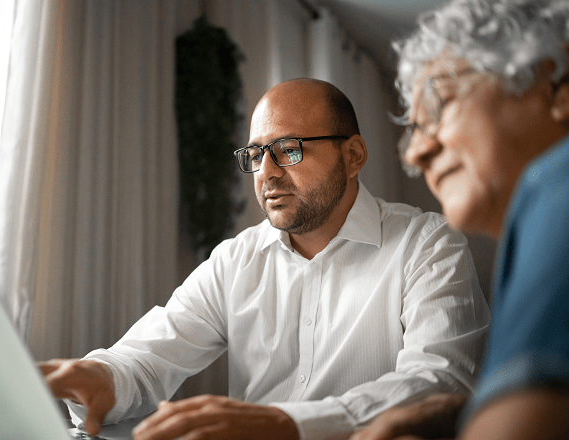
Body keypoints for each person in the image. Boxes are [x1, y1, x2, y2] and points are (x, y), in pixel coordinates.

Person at [40, 78, 489, 440]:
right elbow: (149, 357)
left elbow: (440, 383)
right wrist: (102, 376)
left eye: (288, 149)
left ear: (352, 156)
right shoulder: (236, 260)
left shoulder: (427, 243)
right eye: (255, 154)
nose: (267, 173)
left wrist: (289, 425)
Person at [350, 1, 569, 439]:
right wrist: (472, 412)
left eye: (441, 105)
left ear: (558, 91)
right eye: (413, 130)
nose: (415, 153)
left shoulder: (556, 182)